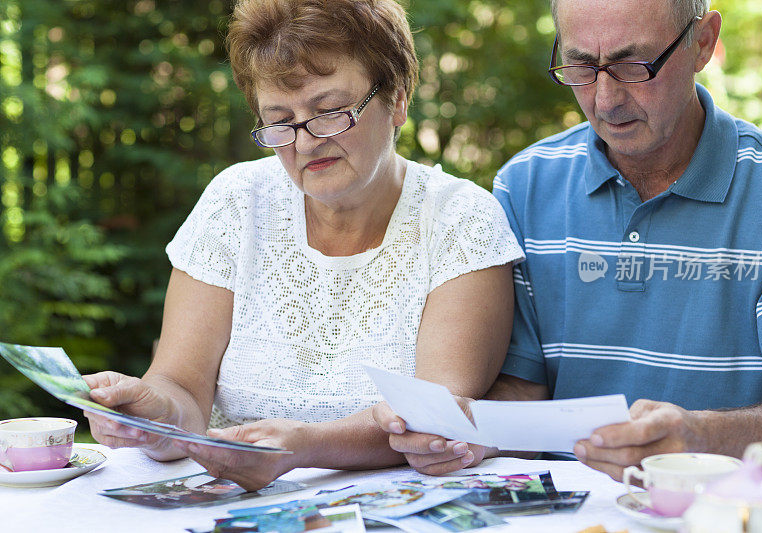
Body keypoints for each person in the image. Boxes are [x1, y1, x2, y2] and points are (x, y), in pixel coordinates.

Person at [82, 0, 523, 491]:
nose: (306, 142)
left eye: (329, 112)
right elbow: (182, 389)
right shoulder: (237, 201)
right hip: (232, 501)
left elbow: (433, 417)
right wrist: (152, 416)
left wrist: (304, 447)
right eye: (280, 121)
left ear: (397, 98)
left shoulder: (461, 219)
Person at [374, 0, 762, 481]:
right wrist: (461, 433)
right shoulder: (528, 185)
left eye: (631, 65)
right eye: (580, 66)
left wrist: (702, 439)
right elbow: (524, 387)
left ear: (703, 42)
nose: (605, 99)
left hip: (720, 506)